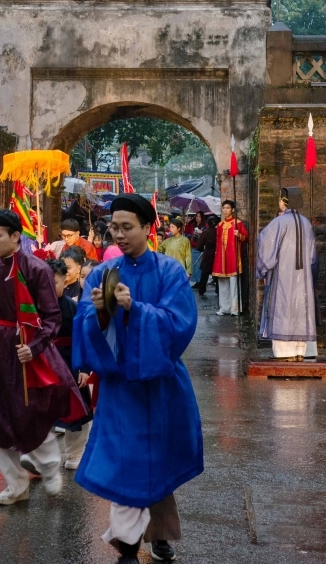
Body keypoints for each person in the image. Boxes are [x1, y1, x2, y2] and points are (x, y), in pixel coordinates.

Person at [74, 194, 202, 564]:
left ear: (148, 228)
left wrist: (136, 309)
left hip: (161, 383)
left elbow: (180, 325)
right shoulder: (100, 274)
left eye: (127, 227)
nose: (119, 235)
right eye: (114, 227)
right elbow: (85, 326)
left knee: (157, 462)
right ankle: (128, 550)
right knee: (127, 463)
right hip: (120, 387)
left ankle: (159, 535)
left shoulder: (169, 271)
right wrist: (99, 315)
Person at [0, 210, 81, 506]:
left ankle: (49, 467)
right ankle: (16, 484)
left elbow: (52, 315)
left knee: (29, 413)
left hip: (28, 349)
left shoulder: (37, 269)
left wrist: (35, 346)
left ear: (16, 236)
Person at [255, 192, 318, 361]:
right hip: (303, 276)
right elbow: (312, 255)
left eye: (280, 199)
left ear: (285, 201)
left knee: (282, 307)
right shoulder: (306, 223)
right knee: (299, 309)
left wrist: (261, 269)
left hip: (282, 274)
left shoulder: (279, 222)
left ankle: (284, 352)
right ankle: (299, 351)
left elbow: (264, 243)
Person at [47, 256, 93, 470]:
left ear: (65, 280)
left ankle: (74, 453)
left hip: (70, 361)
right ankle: (42, 456)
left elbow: (84, 339)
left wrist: (84, 368)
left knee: (77, 411)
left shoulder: (74, 308)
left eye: (53, 282)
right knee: (42, 410)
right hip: (44, 363)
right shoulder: (34, 308)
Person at [212, 200, 248, 316]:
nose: (225, 210)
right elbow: (217, 242)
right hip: (221, 257)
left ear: (232, 209)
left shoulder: (238, 223)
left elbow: (245, 238)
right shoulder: (220, 225)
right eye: (224, 208)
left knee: (234, 284)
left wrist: (239, 235)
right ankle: (224, 308)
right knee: (222, 284)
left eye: (227, 208)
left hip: (233, 257)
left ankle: (235, 308)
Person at [196, 216, 216, 296]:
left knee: (204, 273)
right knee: (216, 273)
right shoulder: (218, 231)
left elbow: (199, 245)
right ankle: (218, 290)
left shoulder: (206, 232)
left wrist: (201, 249)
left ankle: (202, 289)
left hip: (207, 252)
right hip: (216, 253)